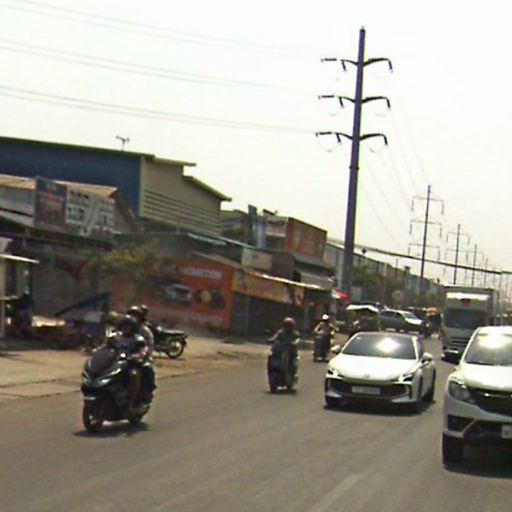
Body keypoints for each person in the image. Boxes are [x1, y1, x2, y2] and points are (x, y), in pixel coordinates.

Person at [107, 315, 150, 413]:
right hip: (114, 362)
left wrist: (138, 355)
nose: (125, 329)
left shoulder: (138, 339)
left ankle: (130, 403)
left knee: (134, 375)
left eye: (128, 327)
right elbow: (105, 347)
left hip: (130, 364)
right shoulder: (115, 337)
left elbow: (143, 349)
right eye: (124, 326)